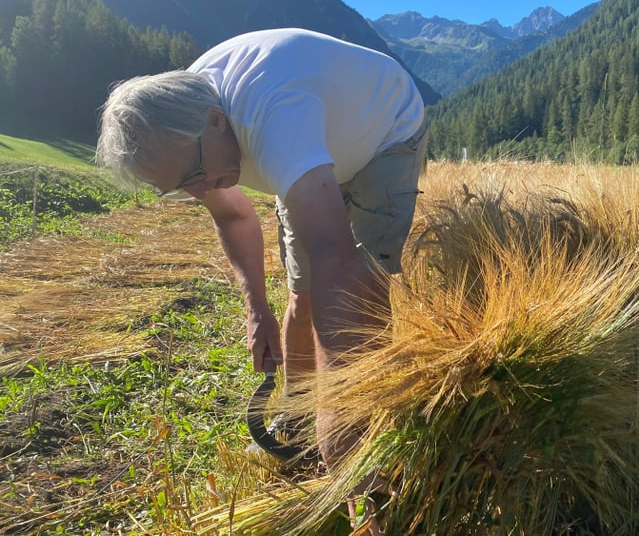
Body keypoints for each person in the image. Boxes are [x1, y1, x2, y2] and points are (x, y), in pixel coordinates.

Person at [96, 28, 428, 534]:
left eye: (196, 176)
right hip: (308, 143)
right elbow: (233, 217)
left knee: (363, 292)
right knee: (304, 294)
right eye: (182, 188)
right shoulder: (189, 140)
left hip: (383, 131)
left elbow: (337, 259)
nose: (200, 191)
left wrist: (340, 415)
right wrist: (257, 310)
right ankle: (296, 417)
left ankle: (370, 434)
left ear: (213, 121)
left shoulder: (274, 114)